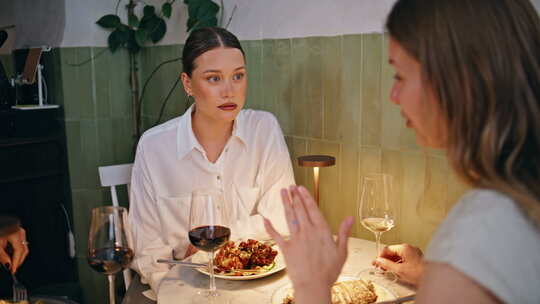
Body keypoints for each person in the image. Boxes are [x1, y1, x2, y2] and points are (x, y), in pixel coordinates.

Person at [264, 0, 540, 303]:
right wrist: (430, 275)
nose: (393, 96)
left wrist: (311, 285)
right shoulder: (520, 202)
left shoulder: (480, 233)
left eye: (400, 76)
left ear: (457, 82)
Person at [128, 27, 295, 294]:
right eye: (214, 79)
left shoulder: (264, 129)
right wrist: (174, 294)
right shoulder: (154, 147)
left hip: (256, 286)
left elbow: (283, 219)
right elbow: (147, 249)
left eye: (238, 76)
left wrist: (221, 243)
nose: (229, 91)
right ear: (188, 83)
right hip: (180, 286)